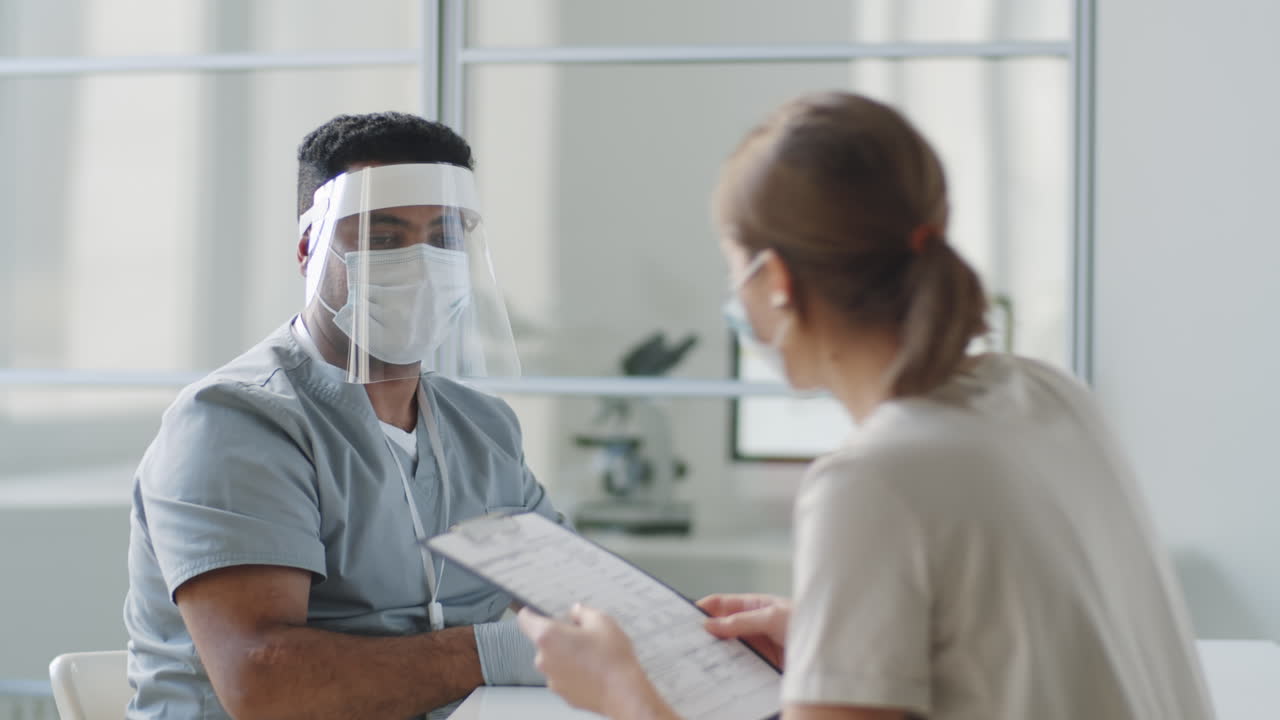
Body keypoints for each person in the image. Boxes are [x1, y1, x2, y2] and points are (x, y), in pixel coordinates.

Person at [517, 92, 1215, 720]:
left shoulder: (872, 480)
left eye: (734, 271)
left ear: (777, 281)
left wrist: (622, 696)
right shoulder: (1047, 394)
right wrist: (842, 644)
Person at [124, 112, 561, 720]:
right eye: (382, 239)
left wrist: (704, 634)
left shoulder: (481, 427)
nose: (421, 263)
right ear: (309, 248)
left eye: (446, 237)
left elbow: (574, 600)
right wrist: (494, 653)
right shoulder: (235, 422)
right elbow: (265, 684)